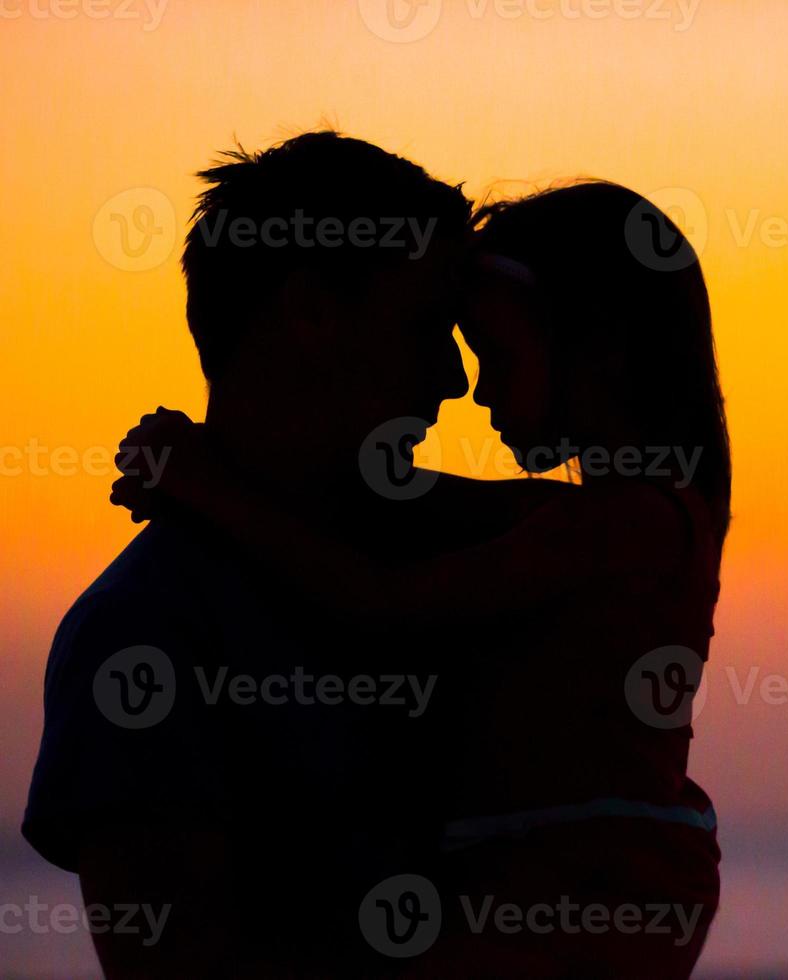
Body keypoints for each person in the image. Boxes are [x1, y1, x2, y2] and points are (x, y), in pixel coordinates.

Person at [111, 181, 730, 978]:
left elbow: (386, 602)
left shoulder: (623, 526)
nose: (471, 390)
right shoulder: (602, 518)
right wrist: (231, 476)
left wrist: (215, 489)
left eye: (494, 356)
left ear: (598, 349)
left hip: (581, 892)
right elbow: (393, 503)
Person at [22, 130, 511, 977]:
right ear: (312, 312)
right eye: (428, 327)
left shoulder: (463, 570)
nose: (455, 379)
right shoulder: (148, 632)